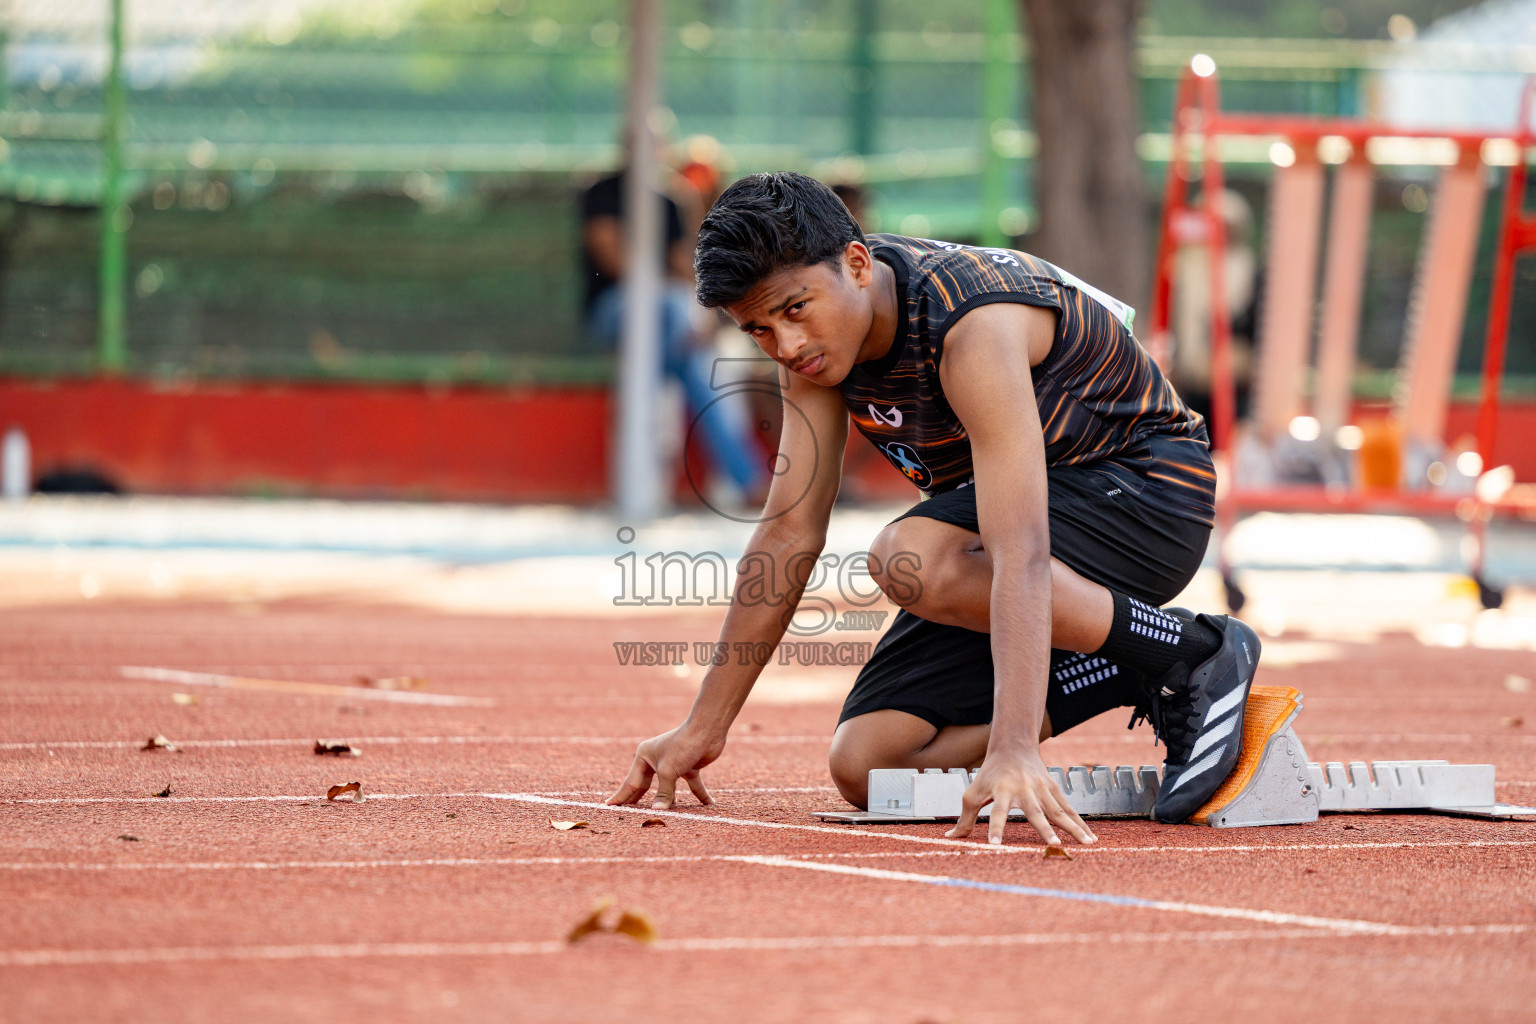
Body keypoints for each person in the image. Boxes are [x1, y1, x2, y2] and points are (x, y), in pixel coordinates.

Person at [607, 172, 1261, 847]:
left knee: (911, 559)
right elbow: (787, 530)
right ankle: (1130, 663)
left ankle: (1194, 651)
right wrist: (703, 727)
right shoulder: (820, 348)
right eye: (758, 330)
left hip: (1148, 497)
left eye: (794, 310)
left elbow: (1022, 547)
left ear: (857, 264)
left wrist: (1013, 747)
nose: (787, 344)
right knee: (870, 765)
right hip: (1029, 540)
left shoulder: (970, 324)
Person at [580, 162, 768, 504]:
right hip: (614, 311)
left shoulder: (669, 197)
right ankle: (750, 481)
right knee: (673, 311)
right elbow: (611, 256)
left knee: (694, 359)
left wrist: (706, 316)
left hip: (667, 328)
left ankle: (648, 480)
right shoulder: (602, 191)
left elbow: (689, 268)